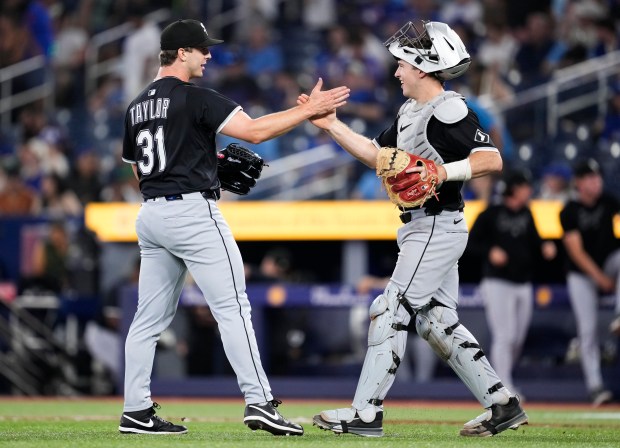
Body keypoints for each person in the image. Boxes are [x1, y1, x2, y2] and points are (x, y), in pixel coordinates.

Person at [118, 19, 349, 436]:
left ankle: (135, 409)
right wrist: (309, 110)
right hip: (192, 213)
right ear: (182, 53)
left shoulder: (136, 105)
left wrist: (201, 166)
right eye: (202, 49)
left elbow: (139, 170)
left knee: (147, 320)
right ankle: (259, 401)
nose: (209, 55)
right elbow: (256, 132)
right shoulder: (195, 98)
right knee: (234, 308)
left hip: (151, 214)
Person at [299, 20, 528, 437]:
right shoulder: (411, 111)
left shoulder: (449, 109)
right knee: (435, 321)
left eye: (403, 63)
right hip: (425, 227)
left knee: (389, 310)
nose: (396, 71)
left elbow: (491, 159)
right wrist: (331, 124)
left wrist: (442, 172)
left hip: (436, 226)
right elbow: (376, 155)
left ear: (423, 66)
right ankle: (502, 405)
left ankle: (365, 413)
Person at [467, 170, 557, 396]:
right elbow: (470, 243)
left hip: (522, 281)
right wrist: (490, 251)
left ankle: (501, 379)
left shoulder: (527, 213)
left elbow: (535, 240)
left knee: (516, 337)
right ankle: (503, 385)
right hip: (497, 281)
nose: (529, 191)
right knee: (504, 335)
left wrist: (545, 245)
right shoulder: (491, 213)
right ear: (515, 189)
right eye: (525, 187)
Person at [559, 158, 620, 406]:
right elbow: (575, 251)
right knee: (587, 330)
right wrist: (600, 278)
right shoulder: (569, 210)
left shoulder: (609, 201)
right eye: (591, 178)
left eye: (598, 178)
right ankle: (595, 387)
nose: (596, 182)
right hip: (582, 273)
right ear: (579, 183)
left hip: (608, 262)